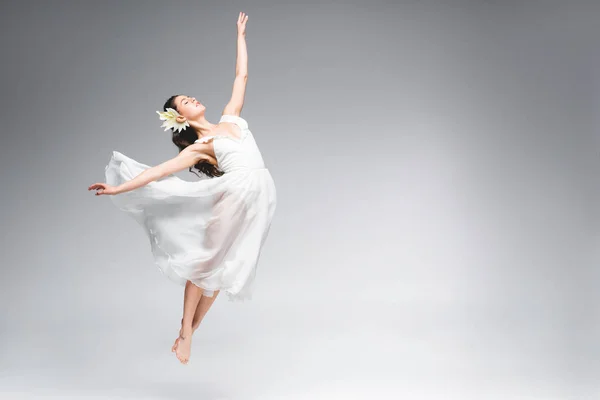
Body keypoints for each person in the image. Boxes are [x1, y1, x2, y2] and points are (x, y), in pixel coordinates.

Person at [87, 12, 276, 365]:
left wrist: (240, 35)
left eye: (190, 96)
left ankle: (188, 332)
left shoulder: (231, 118)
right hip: (233, 198)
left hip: (258, 197)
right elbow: (159, 171)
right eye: (184, 102)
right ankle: (186, 332)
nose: (192, 99)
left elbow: (241, 75)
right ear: (181, 118)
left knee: (226, 270)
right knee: (206, 265)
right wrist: (118, 189)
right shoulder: (198, 148)